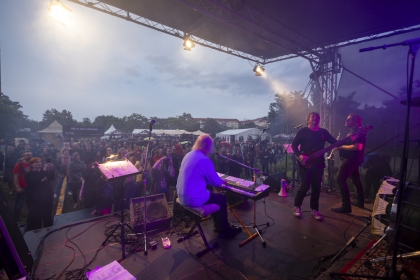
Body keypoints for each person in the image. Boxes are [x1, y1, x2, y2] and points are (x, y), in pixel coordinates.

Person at [176, 134, 241, 238]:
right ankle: (224, 230)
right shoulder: (204, 160)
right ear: (208, 146)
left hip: (181, 195)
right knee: (221, 198)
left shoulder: (188, 155)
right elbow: (216, 183)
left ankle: (218, 226)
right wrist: (222, 181)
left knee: (212, 195)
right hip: (192, 198)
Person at [291, 112, 337, 220]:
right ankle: (297, 206)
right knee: (305, 186)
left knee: (317, 187)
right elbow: (294, 145)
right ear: (308, 120)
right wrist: (299, 156)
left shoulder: (323, 132)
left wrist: (348, 140)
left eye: (317, 117)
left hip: (319, 163)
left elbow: (335, 142)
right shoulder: (302, 131)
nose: (315, 118)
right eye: (313, 117)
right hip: (305, 162)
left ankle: (314, 209)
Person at [331, 114, 366, 213]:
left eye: (349, 120)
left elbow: (357, 147)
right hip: (354, 159)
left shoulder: (358, 132)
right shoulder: (354, 132)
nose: (346, 121)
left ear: (355, 121)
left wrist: (341, 147)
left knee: (340, 179)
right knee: (356, 180)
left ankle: (346, 206)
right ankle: (360, 202)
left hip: (351, 159)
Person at [24, 157, 54, 231]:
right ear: (31, 164)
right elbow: (34, 182)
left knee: (47, 215)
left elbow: (51, 178)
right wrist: (44, 170)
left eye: (40, 162)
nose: (39, 164)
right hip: (35, 199)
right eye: (36, 162)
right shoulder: (28, 173)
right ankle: (37, 233)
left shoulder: (42, 171)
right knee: (36, 217)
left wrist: (51, 169)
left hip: (46, 197)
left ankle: (48, 229)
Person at [12, 150, 33, 222]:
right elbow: (15, 176)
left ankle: (31, 216)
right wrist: (17, 187)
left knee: (31, 202)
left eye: (30, 154)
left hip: (31, 187)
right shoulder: (18, 165)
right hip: (22, 187)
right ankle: (15, 218)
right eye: (27, 155)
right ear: (23, 156)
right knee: (19, 203)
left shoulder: (33, 164)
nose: (29, 156)